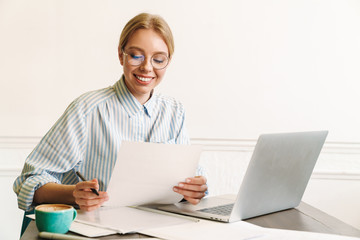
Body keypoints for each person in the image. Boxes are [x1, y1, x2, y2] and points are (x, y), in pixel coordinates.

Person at [13, 13, 207, 214]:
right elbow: (29, 180)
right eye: (135, 55)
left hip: (160, 227)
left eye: (158, 59)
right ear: (120, 55)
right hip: (99, 230)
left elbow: (191, 180)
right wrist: (73, 194)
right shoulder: (87, 109)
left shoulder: (174, 111)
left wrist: (196, 189)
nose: (147, 67)